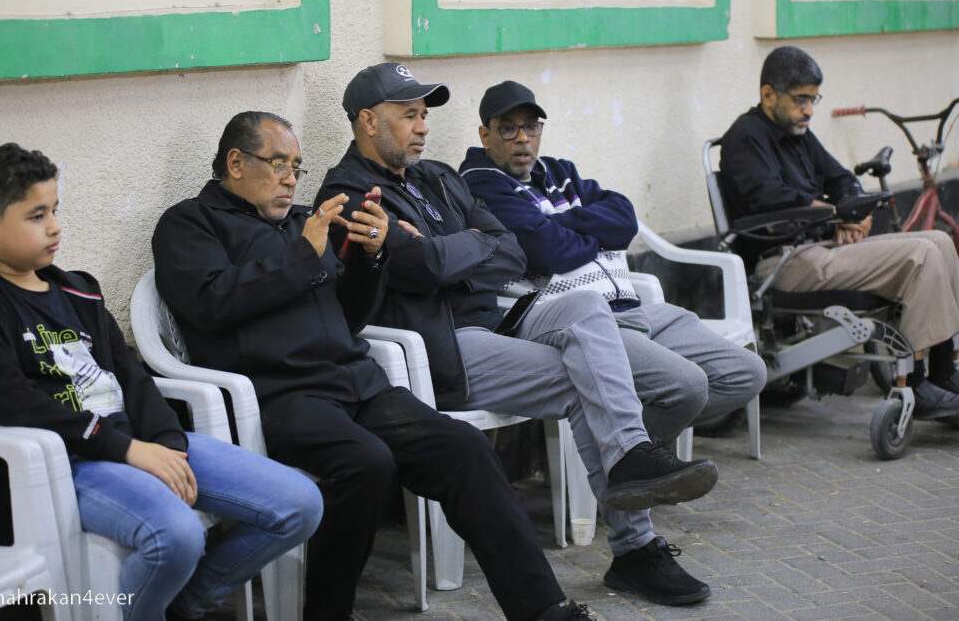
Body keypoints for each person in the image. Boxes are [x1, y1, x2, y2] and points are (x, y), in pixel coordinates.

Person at [152, 111, 594, 621]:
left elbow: (350, 315)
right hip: (279, 394)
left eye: (296, 167)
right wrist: (302, 256)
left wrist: (371, 257)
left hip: (356, 382)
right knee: (365, 463)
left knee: (463, 447)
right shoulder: (190, 224)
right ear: (236, 162)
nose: (291, 179)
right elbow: (211, 304)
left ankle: (543, 609)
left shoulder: (302, 224)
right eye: (278, 164)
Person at [316, 63, 720, 606]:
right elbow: (422, 265)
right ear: (368, 121)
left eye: (424, 115)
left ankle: (631, 457)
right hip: (444, 343)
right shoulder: (349, 193)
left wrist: (448, 251)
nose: (424, 127)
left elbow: (508, 247)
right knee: (585, 380)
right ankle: (636, 548)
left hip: (501, 318)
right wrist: (460, 247)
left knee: (584, 305)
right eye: (409, 115)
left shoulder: (437, 175)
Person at [0, 143, 324, 621]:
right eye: (36, 216)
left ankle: (184, 603)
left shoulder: (78, 289)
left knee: (300, 503)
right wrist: (127, 450)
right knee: (177, 535)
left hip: (138, 441)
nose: (54, 227)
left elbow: (131, 375)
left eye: (55, 210)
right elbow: (9, 402)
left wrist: (166, 443)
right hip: (68, 462)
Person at [457, 79, 767, 604]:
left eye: (530, 127)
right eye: (508, 129)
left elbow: (624, 216)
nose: (522, 139)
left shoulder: (559, 171)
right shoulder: (481, 183)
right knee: (687, 386)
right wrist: (582, 228)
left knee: (746, 372)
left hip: (631, 304)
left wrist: (567, 223)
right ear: (485, 134)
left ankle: (624, 458)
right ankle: (627, 480)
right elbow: (546, 249)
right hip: (566, 313)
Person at [720, 45, 959, 418]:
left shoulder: (799, 133)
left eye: (813, 100)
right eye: (801, 99)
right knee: (922, 254)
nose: (809, 110)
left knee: (940, 241)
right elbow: (768, 199)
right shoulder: (745, 137)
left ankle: (944, 372)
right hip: (784, 260)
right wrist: (834, 215)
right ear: (768, 95)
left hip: (822, 248)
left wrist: (855, 213)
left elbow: (842, 178)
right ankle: (913, 383)